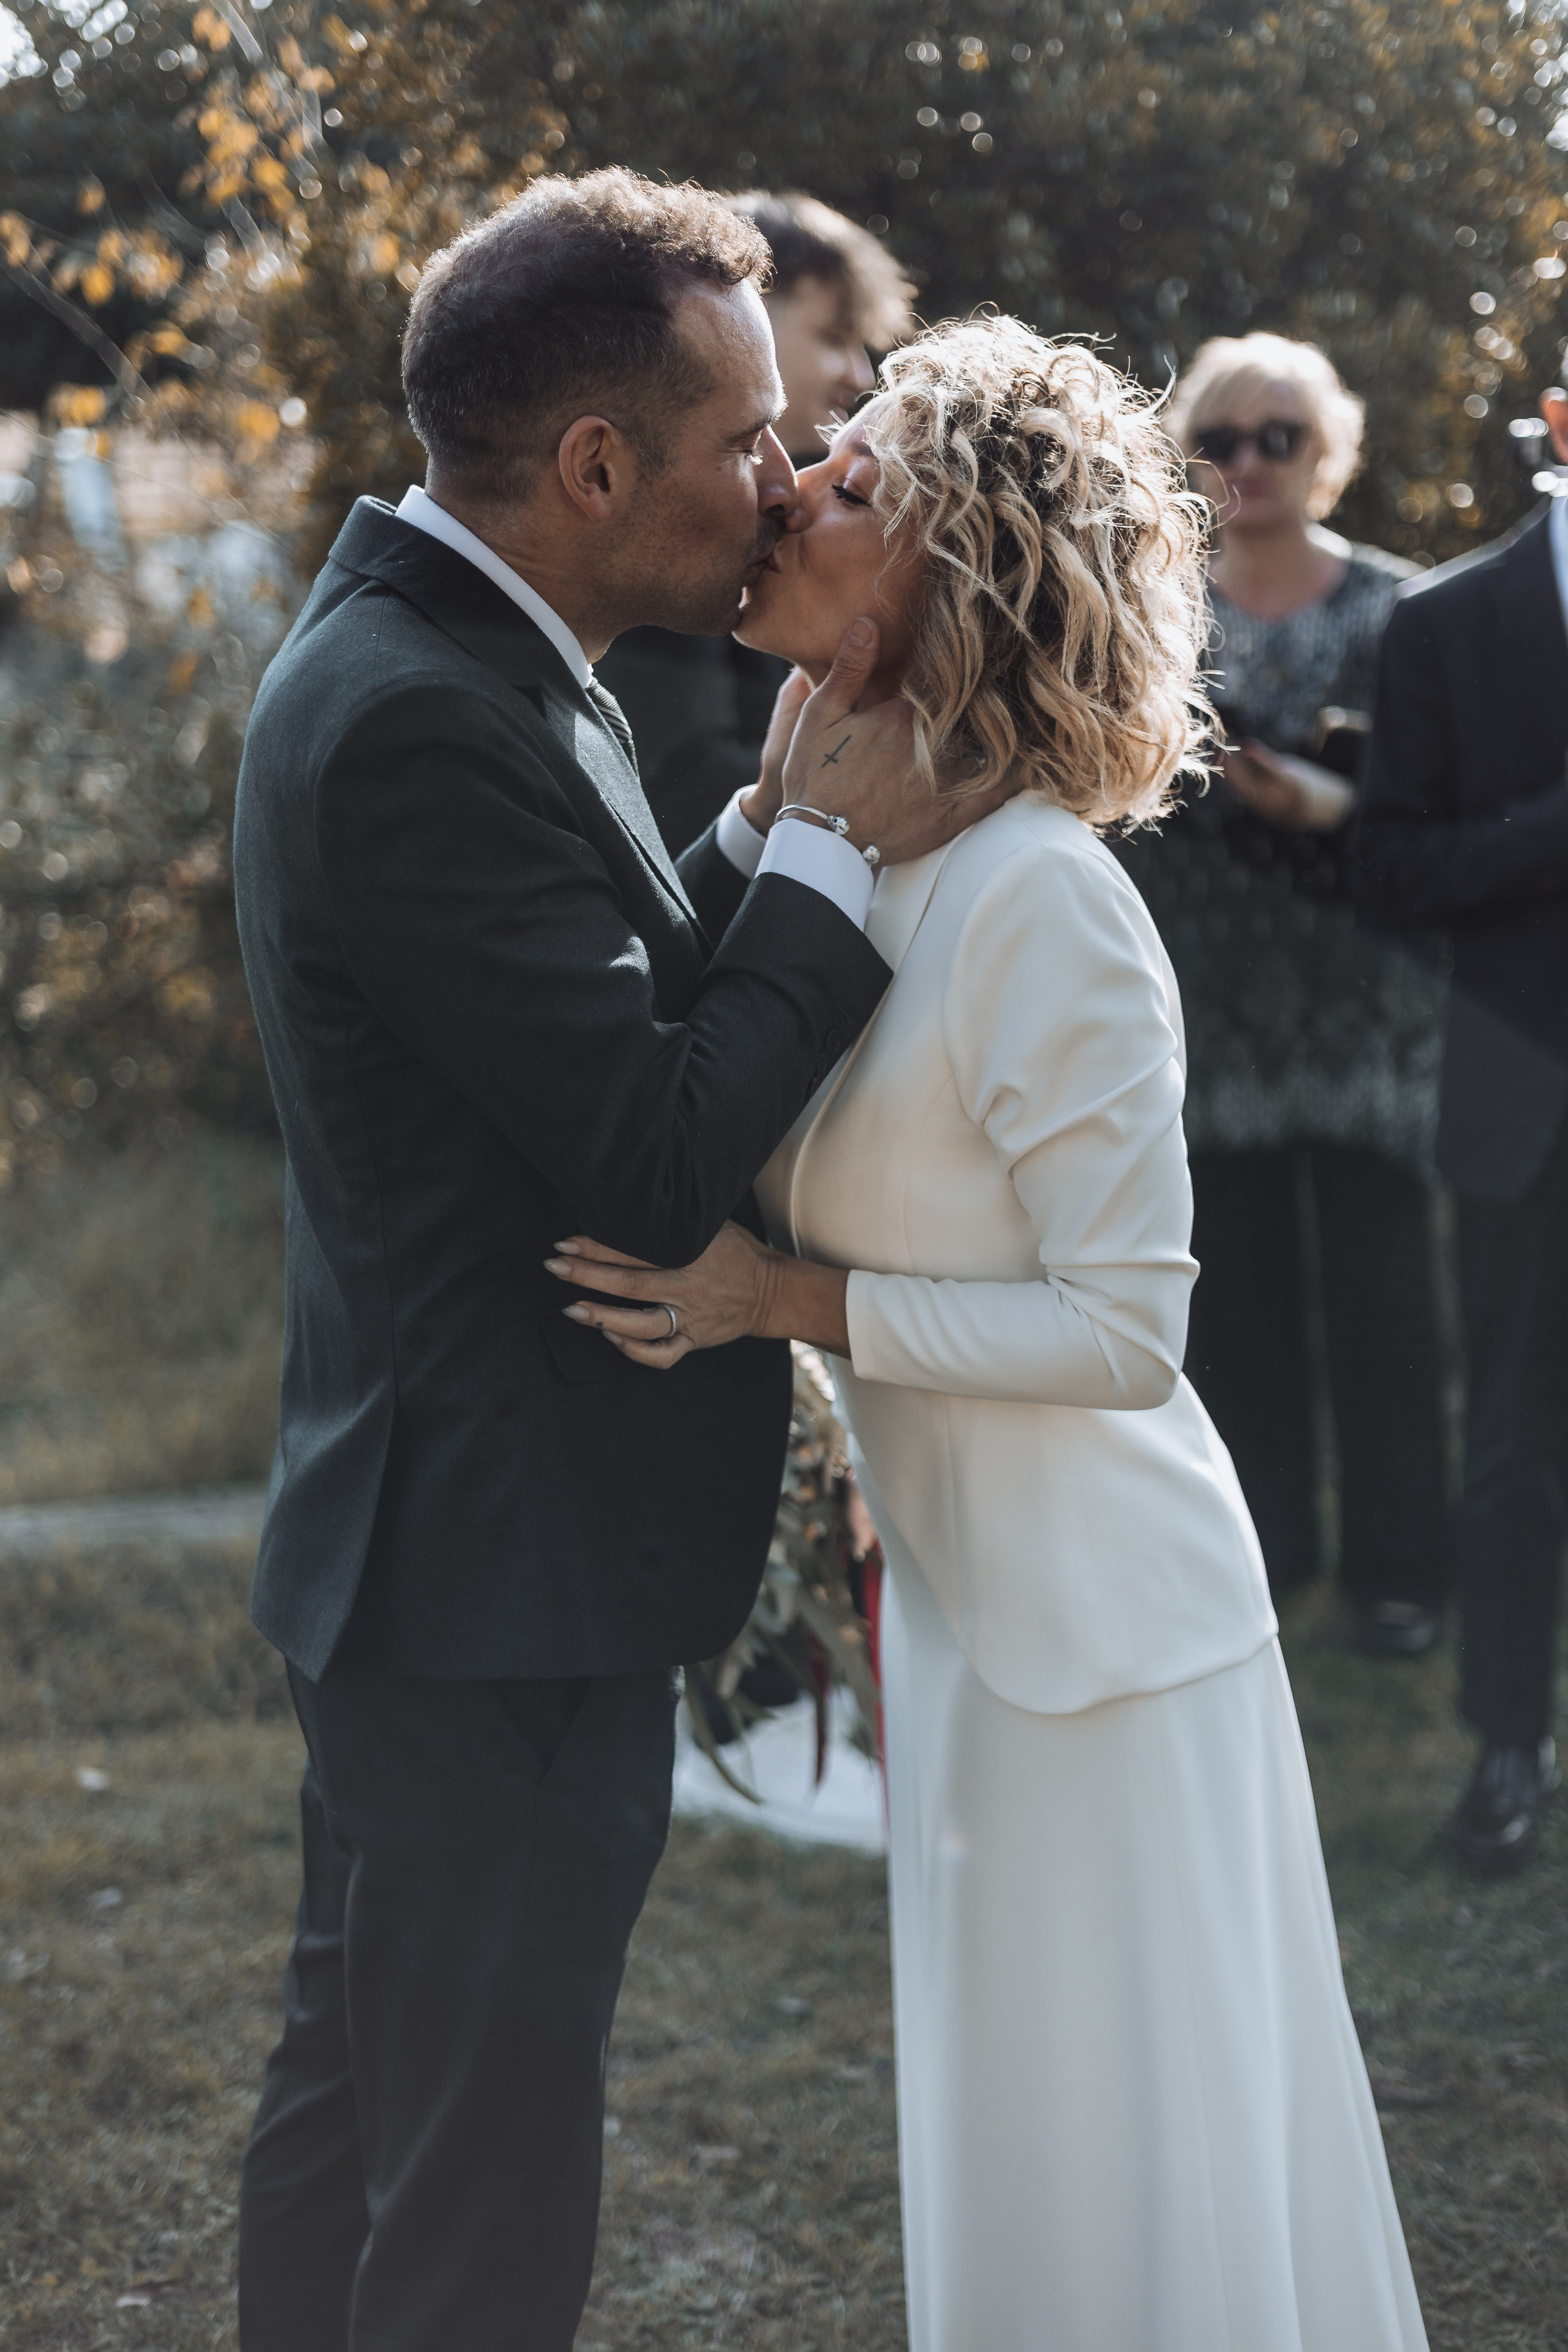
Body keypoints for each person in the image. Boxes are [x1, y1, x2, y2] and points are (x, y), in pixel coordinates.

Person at [551, 317, 1430, 2352]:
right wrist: (773, 834)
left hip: (1111, 1647)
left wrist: (790, 1305)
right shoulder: (851, 863)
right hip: (963, 1617)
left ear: (951, 575)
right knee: (1021, 2159)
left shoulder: (1046, 897)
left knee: (1133, 2166)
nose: (788, 493)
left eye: (849, 484)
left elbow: (1126, 1331)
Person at [228, 167, 978, 2352]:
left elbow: (565, 1015)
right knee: (476, 2177)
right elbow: (650, 1148)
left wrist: (741, 834)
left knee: (367, 2102)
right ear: (589, 466)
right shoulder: (415, 716)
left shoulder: (463, 647)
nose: (778, 474)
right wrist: (831, 851)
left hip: (447, 1549)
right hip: (492, 1582)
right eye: (746, 436)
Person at [1117, 331, 1451, 1656]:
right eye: (1221, 439)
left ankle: (1400, 1574)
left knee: (1382, 1298)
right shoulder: (1148, 604)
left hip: (1367, 1004)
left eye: (1280, 438)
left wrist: (1329, 803)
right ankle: (1255, 1553)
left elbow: (1449, 809)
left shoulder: (1402, 612)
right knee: (1231, 1301)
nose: (1248, 463)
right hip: (1202, 1006)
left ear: (1329, 455)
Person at [1358, 382, 1568, 1873]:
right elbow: (1390, 865)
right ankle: (1507, 1743)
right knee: (1511, 1439)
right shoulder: (1440, 625)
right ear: (1558, 420)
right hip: (1525, 1103)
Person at [597, 191, 915, 856]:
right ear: (750, 316)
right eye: (833, 336)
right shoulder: (682, 505)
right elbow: (672, 772)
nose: (859, 372)